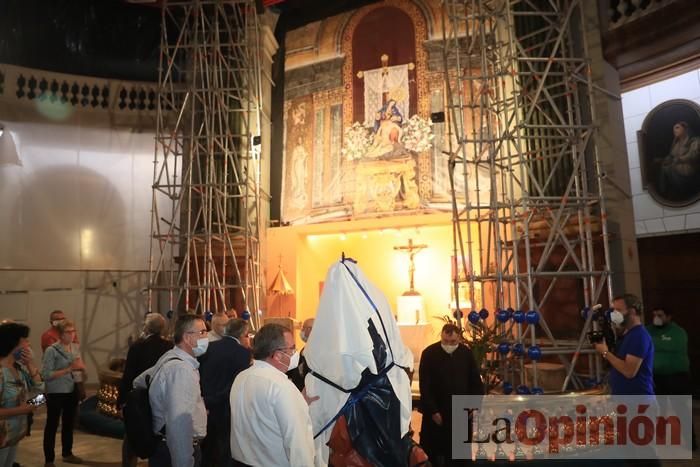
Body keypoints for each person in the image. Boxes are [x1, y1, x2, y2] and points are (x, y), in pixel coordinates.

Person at [229, 323, 315, 467]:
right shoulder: (281, 386)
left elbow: (262, 417)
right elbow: (297, 442)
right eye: (292, 349)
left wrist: (299, 403)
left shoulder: (241, 377)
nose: (295, 353)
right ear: (278, 355)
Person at [133, 314, 208, 467]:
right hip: (174, 451)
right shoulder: (181, 370)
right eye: (202, 332)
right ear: (187, 338)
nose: (207, 337)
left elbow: (138, 381)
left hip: (163, 446)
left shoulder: (171, 357)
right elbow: (178, 424)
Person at [419, 323, 484, 467]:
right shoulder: (429, 353)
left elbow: (475, 381)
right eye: (445, 341)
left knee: (460, 454)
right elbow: (425, 386)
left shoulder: (465, 353)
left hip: (461, 411)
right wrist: (433, 410)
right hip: (437, 412)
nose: (448, 345)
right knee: (435, 451)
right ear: (441, 337)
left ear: (459, 339)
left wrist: (473, 406)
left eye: (453, 342)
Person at [119, 313, 173, 467]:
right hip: (160, 398)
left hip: (138, 398)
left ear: (146, 327)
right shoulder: (169, 347)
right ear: (162, 329)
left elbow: (128, 376)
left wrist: (122, 401)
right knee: (156, 433)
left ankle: (129, 464)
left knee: (131, 434)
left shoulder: (137, 347)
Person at [198, 319, 251, 467]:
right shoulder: (243, 354)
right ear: (242, 334)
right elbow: (237, 385)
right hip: (228, 408)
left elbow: (200, 375)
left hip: (205, 406)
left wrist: (206, 400)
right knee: (226, 451)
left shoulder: (209, 347)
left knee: (208, 449)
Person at [647, 307, 697, 450]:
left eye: (660, 315)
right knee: (658, 410)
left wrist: (653, 342)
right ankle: (661, 439)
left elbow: (671, 345)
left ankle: (690, 443)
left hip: (676, 378)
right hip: (656, 377)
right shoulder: (648, 330)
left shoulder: (678, 332)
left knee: (681, 410)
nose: (656, 317)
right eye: (654, 314)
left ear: (669, 317)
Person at [41, 320, 85, 466]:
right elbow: (46, 374)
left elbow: (78, 367)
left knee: (68, 424)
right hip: (56, 392)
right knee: (52, 425)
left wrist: (82, 372)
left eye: (74, 331)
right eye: (69, 332)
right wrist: (68, 369)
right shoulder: (51, 350)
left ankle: (67, 453)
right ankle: (49, 459)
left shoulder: (75, 347)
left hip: (71, 391)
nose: (72, 335)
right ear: (61, 334)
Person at [0, 322, 43, 467]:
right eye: (25, 340)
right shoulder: (1, 373)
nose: (28, 344)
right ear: (13, 344)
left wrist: (31, 365)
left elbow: (42, 396)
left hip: (14, 436)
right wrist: (22, 410)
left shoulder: (19, 370)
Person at [594, 294, 654, 395]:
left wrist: (605, 352)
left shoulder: (638, 335)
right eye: (614, 310)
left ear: (632, 311)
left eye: (618, 310)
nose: (614, 314)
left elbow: (629, 371)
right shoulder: (626, 334)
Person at [658, 121, 700, 200]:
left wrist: (679, 159)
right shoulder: (676, 143)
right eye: (673, 129)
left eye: (677, 128)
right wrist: (661, 160)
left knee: (666, 168)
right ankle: (664, 193)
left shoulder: (694, 140)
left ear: (685, 129)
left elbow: (693, 155)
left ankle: (666, 192)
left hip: (689, 169)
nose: (674, 130)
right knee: (663, 166)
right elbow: (671, 156)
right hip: (677, 167)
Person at [286, 317, 314, 390]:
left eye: (303, 328)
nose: (302, 331)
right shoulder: (307, 347)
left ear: (310, 329)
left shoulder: (315, 350)